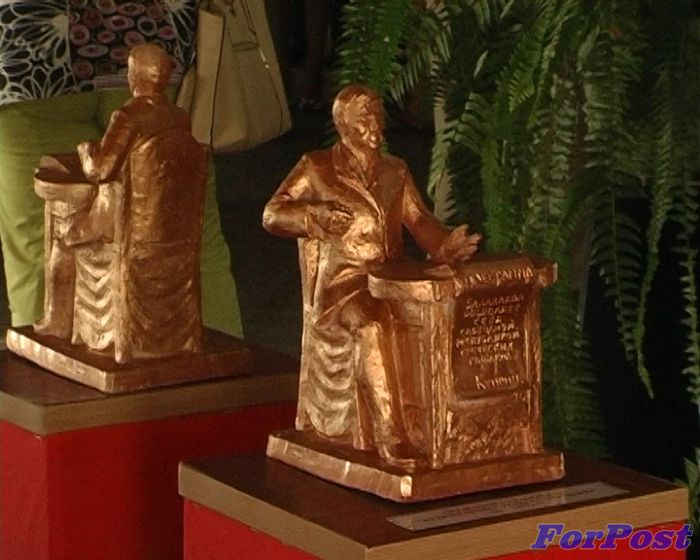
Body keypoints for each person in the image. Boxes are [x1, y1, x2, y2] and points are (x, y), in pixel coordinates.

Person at [263, 84, 480, 465]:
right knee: (370, 323)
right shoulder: (317, 167)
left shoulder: (395, 170)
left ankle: (445, 430)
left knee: (442, 307)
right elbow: (273, 214)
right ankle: (391, 434)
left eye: (379, 117)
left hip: (393, 279)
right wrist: (314, 216)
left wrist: (445, 245)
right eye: (365, 119)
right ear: (343, 125)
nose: (376, 126)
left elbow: (419, 221)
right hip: (344, 287)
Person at [0, 0, 242, 336]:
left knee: (46, 245)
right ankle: (222, 365)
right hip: (153, 41)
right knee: (189, 241)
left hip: (32, 59)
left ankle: (46, 362)